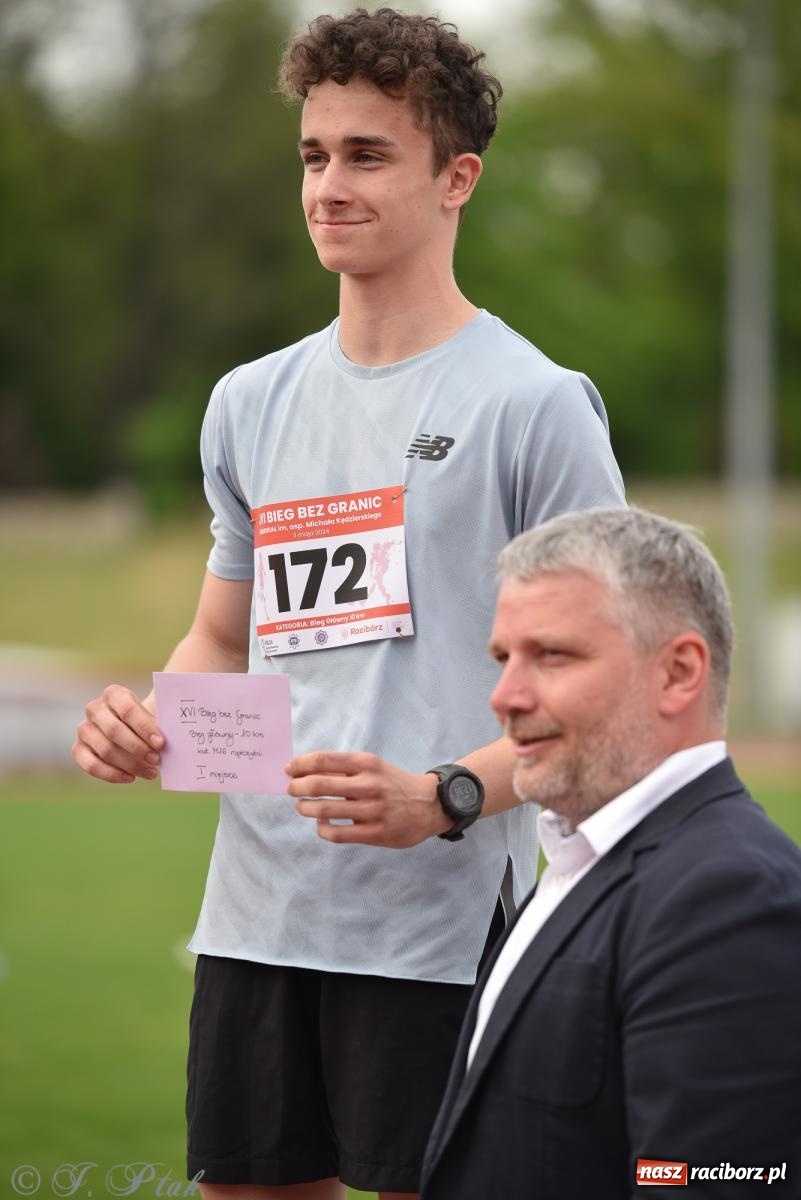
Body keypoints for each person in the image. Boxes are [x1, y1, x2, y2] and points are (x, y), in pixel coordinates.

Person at [72, 8, 625, 1198]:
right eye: (315, 156)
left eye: (368, 155)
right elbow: (225, 639)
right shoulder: (250, 402)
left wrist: (446, 797)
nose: (329, 184)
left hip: (437, 925)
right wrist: (155, 716)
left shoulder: (532, 404)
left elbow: (606, 690)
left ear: (455, 178)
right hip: (257, 913)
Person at [419, 507, 801, 1200]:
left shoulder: (730, 895)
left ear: (677, 673)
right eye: (503, 658)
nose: (503, 698)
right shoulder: (578, 859)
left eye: (552, 655)